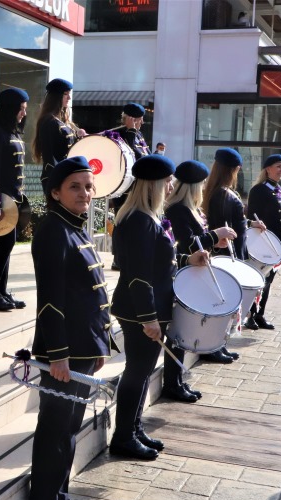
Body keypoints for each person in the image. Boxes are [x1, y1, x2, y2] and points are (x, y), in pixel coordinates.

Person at [28, 156, 112, 500]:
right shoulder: (53, 230)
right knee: (55, 429)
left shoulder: (75, 227)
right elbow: (50, 300)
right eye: (75, 186)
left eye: (88, 186)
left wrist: (99, 346)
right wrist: (58, 354)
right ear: (55, 193)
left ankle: (59, 496)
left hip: (83, 348)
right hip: (64, 353)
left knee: (68, 430)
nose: (84, 193)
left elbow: (90, 296)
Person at [111, 155, 210, 458]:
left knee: (142, 372)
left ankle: (133, 428)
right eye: (166, 181)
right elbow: (139, 276)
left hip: (150, 307)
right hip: (140, 310)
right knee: (137, 372)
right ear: (152, 185)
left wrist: (187, 259)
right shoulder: (140, 221)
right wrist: (148, 318)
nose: (170, 186)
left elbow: (158, 263)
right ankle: (123, 436)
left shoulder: (147, 217)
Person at [165, 160, 237, 368]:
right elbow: (187, 244)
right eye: (202, 183)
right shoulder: (178, 210)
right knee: (179, 331)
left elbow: (199, 241)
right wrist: (215, 234)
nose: (204, 187)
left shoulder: (190, 208)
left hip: (194, 271)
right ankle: (173, 380)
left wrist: (215, 242)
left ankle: (182, 374)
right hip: (183, 272)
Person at [0, 87, 30, 311]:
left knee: (7, 245)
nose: (24, 113)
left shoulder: (12, 132)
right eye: (21, 109)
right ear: (10, 109)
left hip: (13, 199)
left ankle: (1, 291)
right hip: (1, 199)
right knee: (4, 244)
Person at [245, 154, 281, 330]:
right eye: (278, 166)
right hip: (264, 243)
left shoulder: (278, 190)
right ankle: (250, 315)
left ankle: (260, 315)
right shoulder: (259, 190)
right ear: (268, 169)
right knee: (258, 279)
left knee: (268, 281)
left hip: (277, 244)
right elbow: (252, 218)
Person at [109, 102, 149, 269]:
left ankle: (131, 255)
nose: (141, 123)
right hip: (124, 189)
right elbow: (129, 155)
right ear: (129, 119)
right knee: (122, 223)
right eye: (138, 119)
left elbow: (144, 155)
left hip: (139, 187)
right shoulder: (118, 134)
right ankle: (118, 258)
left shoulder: (139, 135)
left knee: (136, 224)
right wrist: (131, 131)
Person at [32, 78, 86, 189]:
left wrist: (78, 136)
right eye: (66, 94)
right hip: (57, 179)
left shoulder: (60, 121)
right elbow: (49, 156)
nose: (69, 97)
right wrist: (57, 182)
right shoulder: (49, 121)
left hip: (67, 176)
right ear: (56, 97)